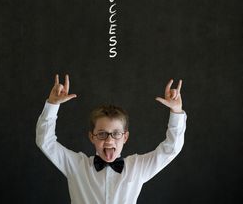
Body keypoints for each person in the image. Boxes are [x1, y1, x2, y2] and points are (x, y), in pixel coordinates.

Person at [36, 74, 187, 204]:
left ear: (125, 137)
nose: (109, 140)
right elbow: (45, 142)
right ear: (91, 137)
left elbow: (170, 149)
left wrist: (176, 111)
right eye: (102, 134)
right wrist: (52, 104)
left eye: (116, 133)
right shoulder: (76, 166)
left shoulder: (137, 167)